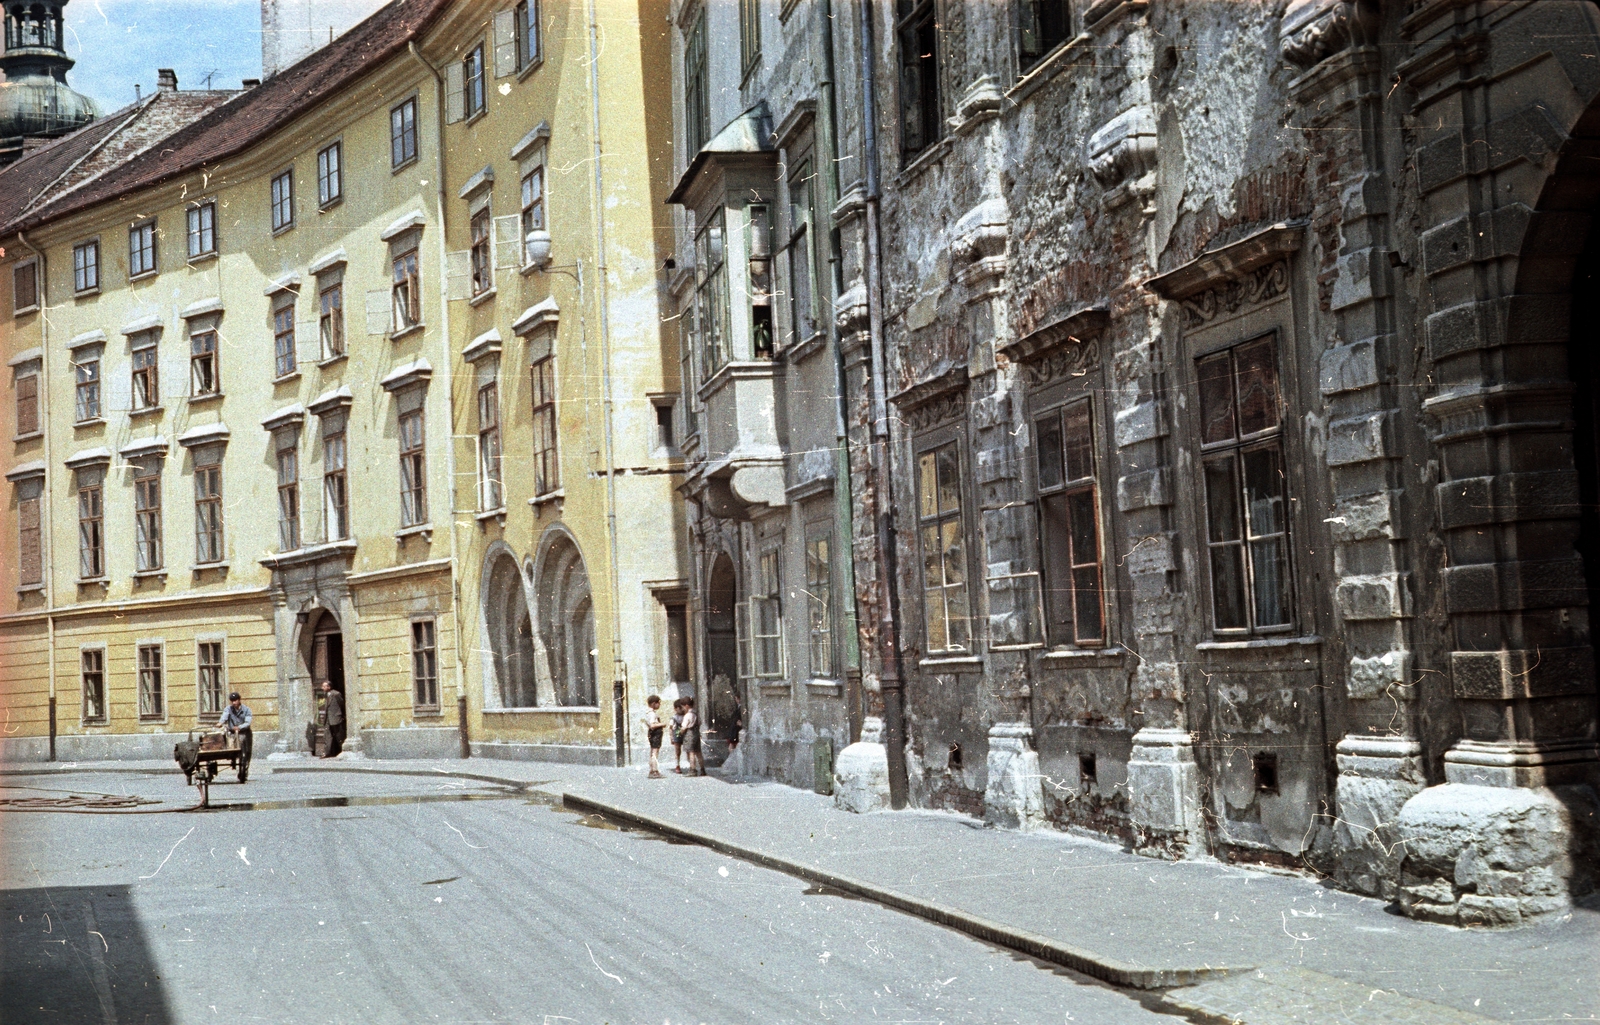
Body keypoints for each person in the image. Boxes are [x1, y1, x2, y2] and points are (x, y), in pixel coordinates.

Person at [218, 691, 253, 782]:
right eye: (232, 701)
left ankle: (244, 770)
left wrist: (239, 727)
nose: (234, 703)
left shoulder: (246, 710)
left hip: (244, 732)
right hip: (232, 733)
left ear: (239, 700)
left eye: (235, 700)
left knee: (247, 752)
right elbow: (225, 716)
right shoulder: (229, 709)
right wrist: (221, 722)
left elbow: (248, 722)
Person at [642, 695, 666, 779]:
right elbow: (652, 725)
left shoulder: (647, 712)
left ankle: (652, 770)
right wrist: (662, 724)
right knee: (655, 753)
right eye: (658, 703)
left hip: (651, 733)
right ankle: (655, 771)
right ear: (653, 703)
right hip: (656, 733)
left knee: (652, 752)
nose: (659, 705)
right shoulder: (652, 714)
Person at [320, 681, 346, 758]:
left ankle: (343, 751)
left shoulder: (336, 694)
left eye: (324, 686)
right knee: (327, 735)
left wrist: (341, 715)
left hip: (335, 717)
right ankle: (326, 752)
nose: (322, 688)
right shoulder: (325, 695)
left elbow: (341, 704)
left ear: (329, 687)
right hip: (327, 718)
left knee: (339, 735)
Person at [680, 696, 704, 776]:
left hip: (689, 734)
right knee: (699, 752)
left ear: (686, 705)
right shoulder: (696, 713)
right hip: (696, 733)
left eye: (683, 706)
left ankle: (692, 770)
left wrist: (680, 732)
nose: (683, 708)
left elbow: (684, 727)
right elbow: (700, 722)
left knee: (691, 752)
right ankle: (702, 769)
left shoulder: (687, 715)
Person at [671, 697, 687, 774]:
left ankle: (691, 765)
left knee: (688, 749)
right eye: (678, 708)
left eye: (681, 708)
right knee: (677, 751)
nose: (681, 710)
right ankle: (677, 765)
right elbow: (670, 728)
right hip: (677, 734)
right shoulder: (674, 718)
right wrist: (671, 737)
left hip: (685, 734)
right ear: (675, 709)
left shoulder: (686, 716)